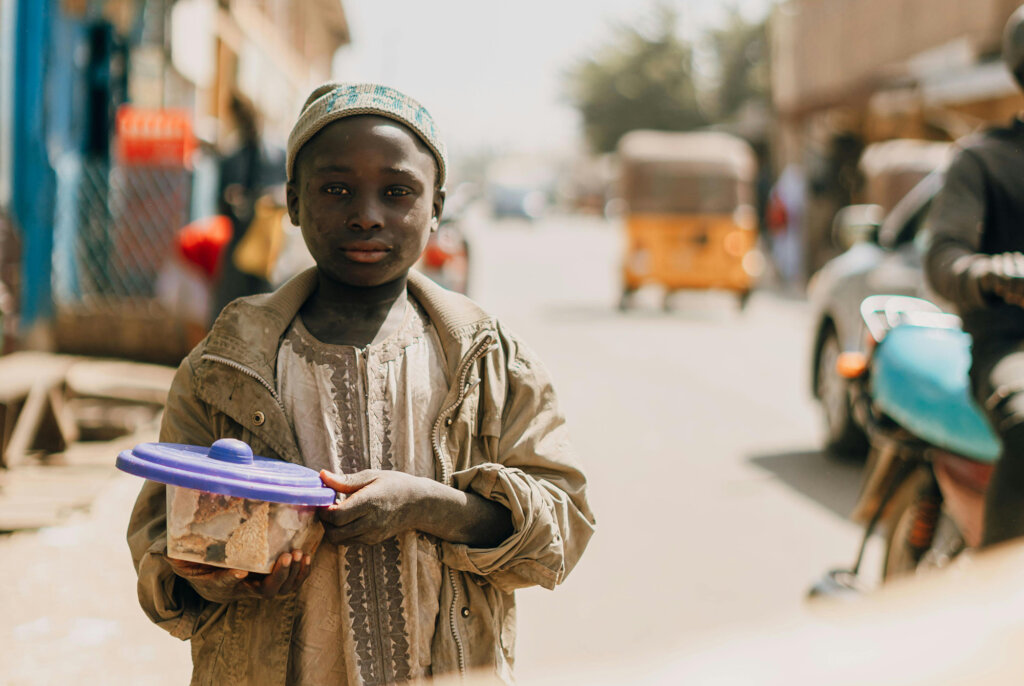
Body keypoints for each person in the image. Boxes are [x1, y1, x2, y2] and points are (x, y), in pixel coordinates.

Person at [126, 82, 596, 685]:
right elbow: (162, 541)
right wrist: (222, 571)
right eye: (336, 189)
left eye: (397, 192)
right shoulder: (225, 366)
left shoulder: (489, 362)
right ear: (294, 201)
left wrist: (428, 505)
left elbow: (562, 524)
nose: (367, 214)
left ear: (436, 207)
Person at [924, 6, 1024, 547]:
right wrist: (990, 272)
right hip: (1010, 347)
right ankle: (1000, 585)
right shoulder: (982, 160)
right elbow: (943, 255)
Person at [210, 92, 288, 321]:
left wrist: (267, 201)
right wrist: (232, 201)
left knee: (267, 306)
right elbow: (220, 204)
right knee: (231, 307)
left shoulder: (278, 155)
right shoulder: (232, 158)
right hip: (241, 241)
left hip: (269, 243)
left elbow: (289, 195)